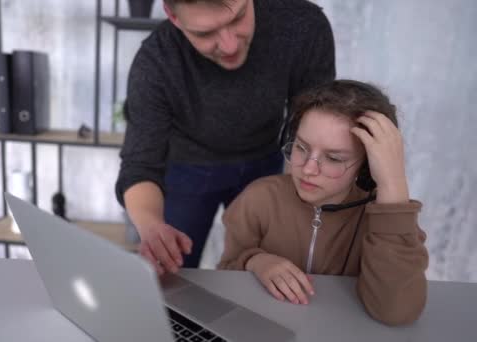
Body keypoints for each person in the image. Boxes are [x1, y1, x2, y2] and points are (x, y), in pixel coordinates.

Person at [115, 0, 336, 274]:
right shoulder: (155, 61)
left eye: (239, 17)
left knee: (265, 273)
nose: (230, 46)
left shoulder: (303, 26)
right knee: (173, 274)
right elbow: (140, 165)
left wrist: (300, 199)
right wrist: (150, 226)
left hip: (265, 162)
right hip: (186, 169)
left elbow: (310, 126)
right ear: (173, 16)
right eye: (205, 33)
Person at [217, 79, 429, 326]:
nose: (308, 169)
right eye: (301, 147)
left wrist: (392, 186)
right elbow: (227, 272)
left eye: (333, 158)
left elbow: (396, 312)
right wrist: (255, 261)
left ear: (366, 168)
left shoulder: (382, 220)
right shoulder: (258, 199)